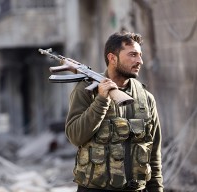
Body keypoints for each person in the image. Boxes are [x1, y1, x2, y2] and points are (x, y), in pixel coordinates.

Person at [65, 31, 164, 192]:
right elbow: (75, 136)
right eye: (132, 55)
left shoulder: (146, 98)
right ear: (112, 58)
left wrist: (157, 189)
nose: (140, 61)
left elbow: (154, 155)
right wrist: (101, 101)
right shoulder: (86, 91)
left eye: (140, 55)